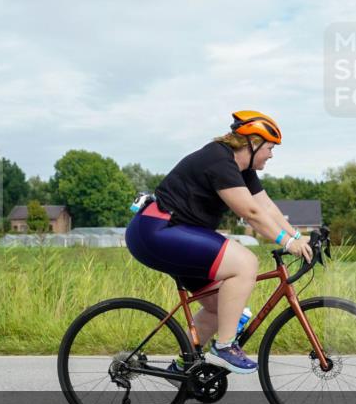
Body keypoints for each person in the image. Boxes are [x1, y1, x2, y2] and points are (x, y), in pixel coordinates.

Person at [124, 111, 314, 374]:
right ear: (253, 142)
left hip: (174, 233)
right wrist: (286, 241)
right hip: (157, 230)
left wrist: (296, 236)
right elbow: (251, 213)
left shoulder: (242, 168)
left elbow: (266, 206)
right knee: (246, 263)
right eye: (270, 148)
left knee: (220, 309)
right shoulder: (219, 159)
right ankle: (224, 347)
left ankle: (183, 367)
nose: (271, 154)